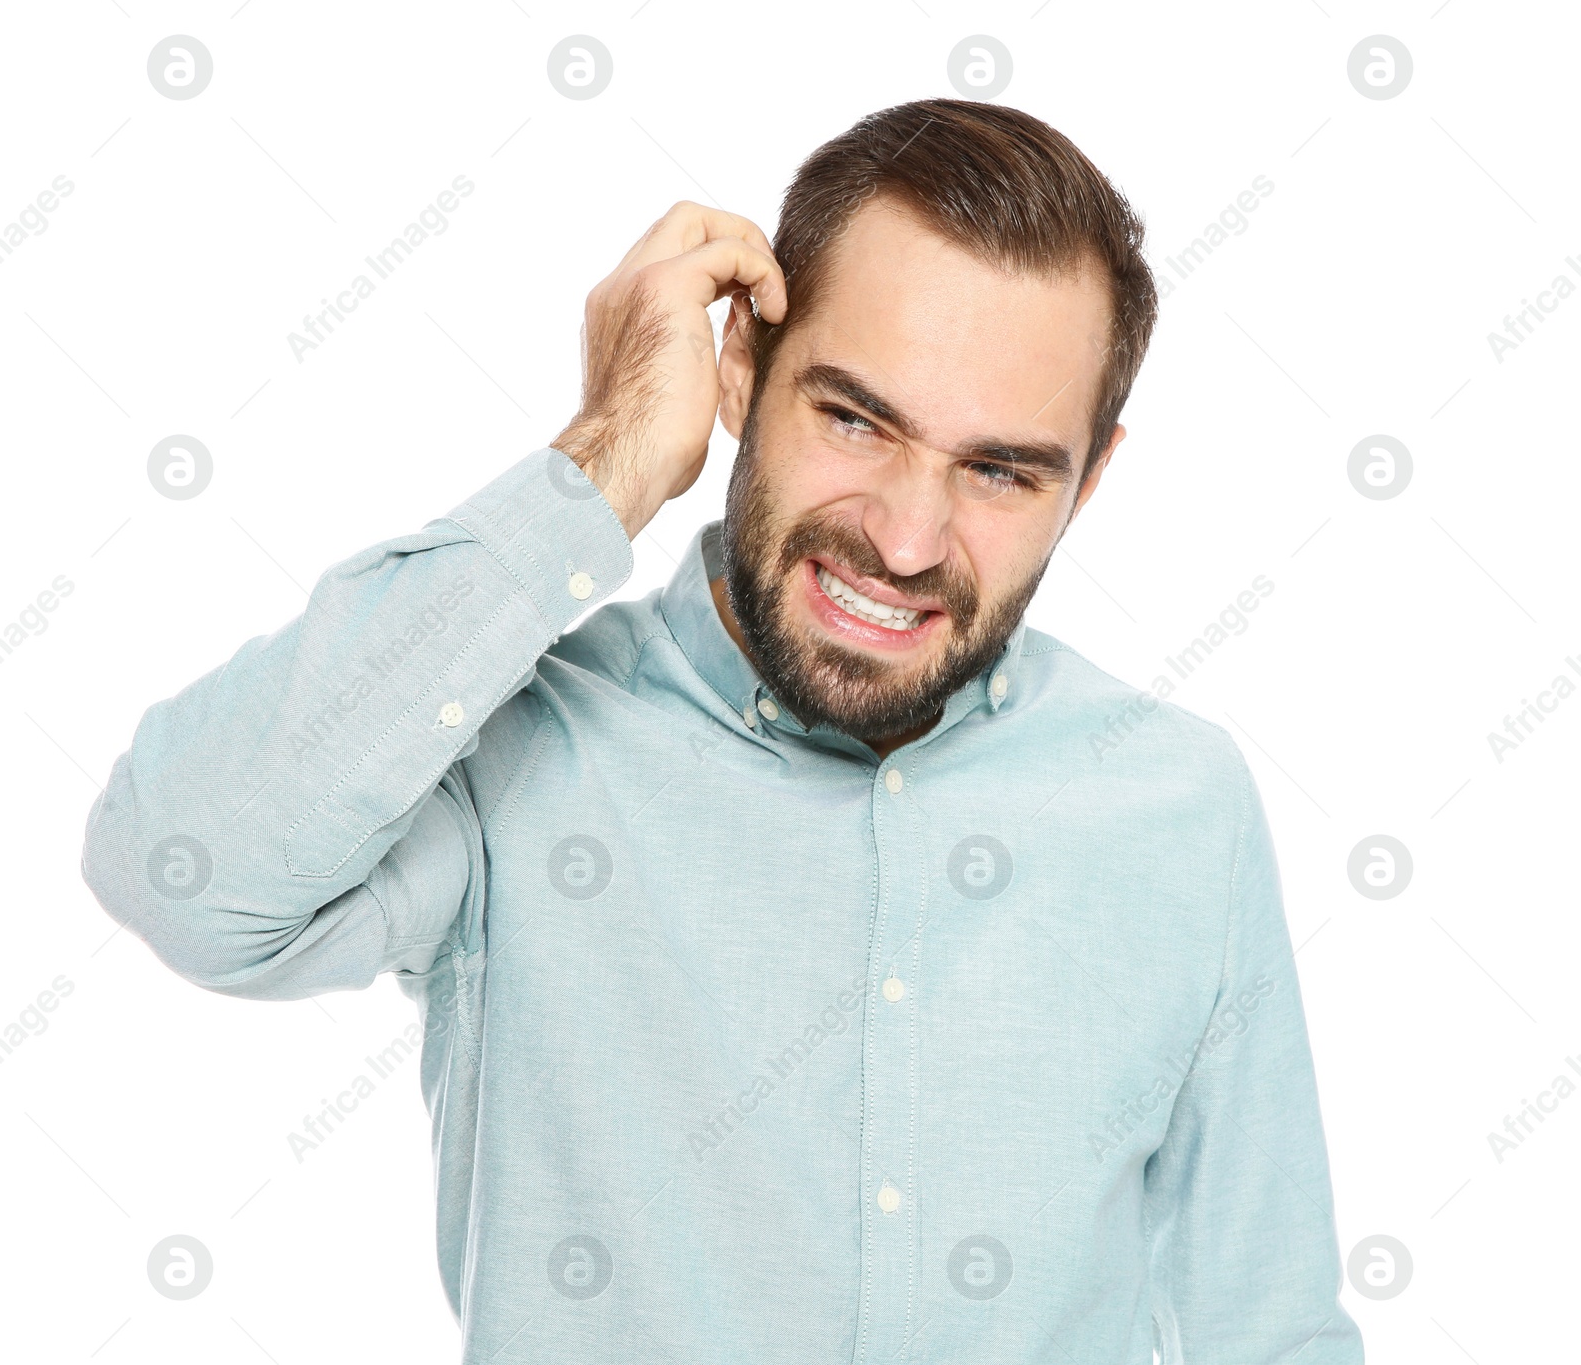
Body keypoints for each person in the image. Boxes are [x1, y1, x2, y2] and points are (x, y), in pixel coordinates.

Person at [82, 98, 1362, 1362]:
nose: (907, 541)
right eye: (855, 418)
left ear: (1088, 481)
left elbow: (1272, 1325)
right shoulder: (515, 745)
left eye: (999, 470)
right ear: (741, 367)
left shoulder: (1175, 802)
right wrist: (603, 461)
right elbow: (183, 874)